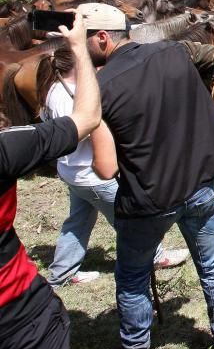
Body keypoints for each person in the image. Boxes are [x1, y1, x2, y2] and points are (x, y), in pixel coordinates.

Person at [83, 3, 214, 349]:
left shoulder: (99, 86)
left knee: (131, 276)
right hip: (199, 183)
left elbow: (106, 167)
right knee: (212, 263)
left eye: (82, 42)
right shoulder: (177, 51)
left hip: (148, 197)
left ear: (101, 38)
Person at [0, 11, 101, 349]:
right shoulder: (7, 149)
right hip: (17, 311)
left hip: (68, 174)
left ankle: (65, 265)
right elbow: (87, 117)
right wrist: (79, 46)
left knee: (78, 218)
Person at [41, 47, 188, 287]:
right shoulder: (74, 95)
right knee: (132, 223)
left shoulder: (53, 91)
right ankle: (157, 256)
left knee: (78, 221)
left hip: (71, 172)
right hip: (93, 174)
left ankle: (62, 273)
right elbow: (87, 134)